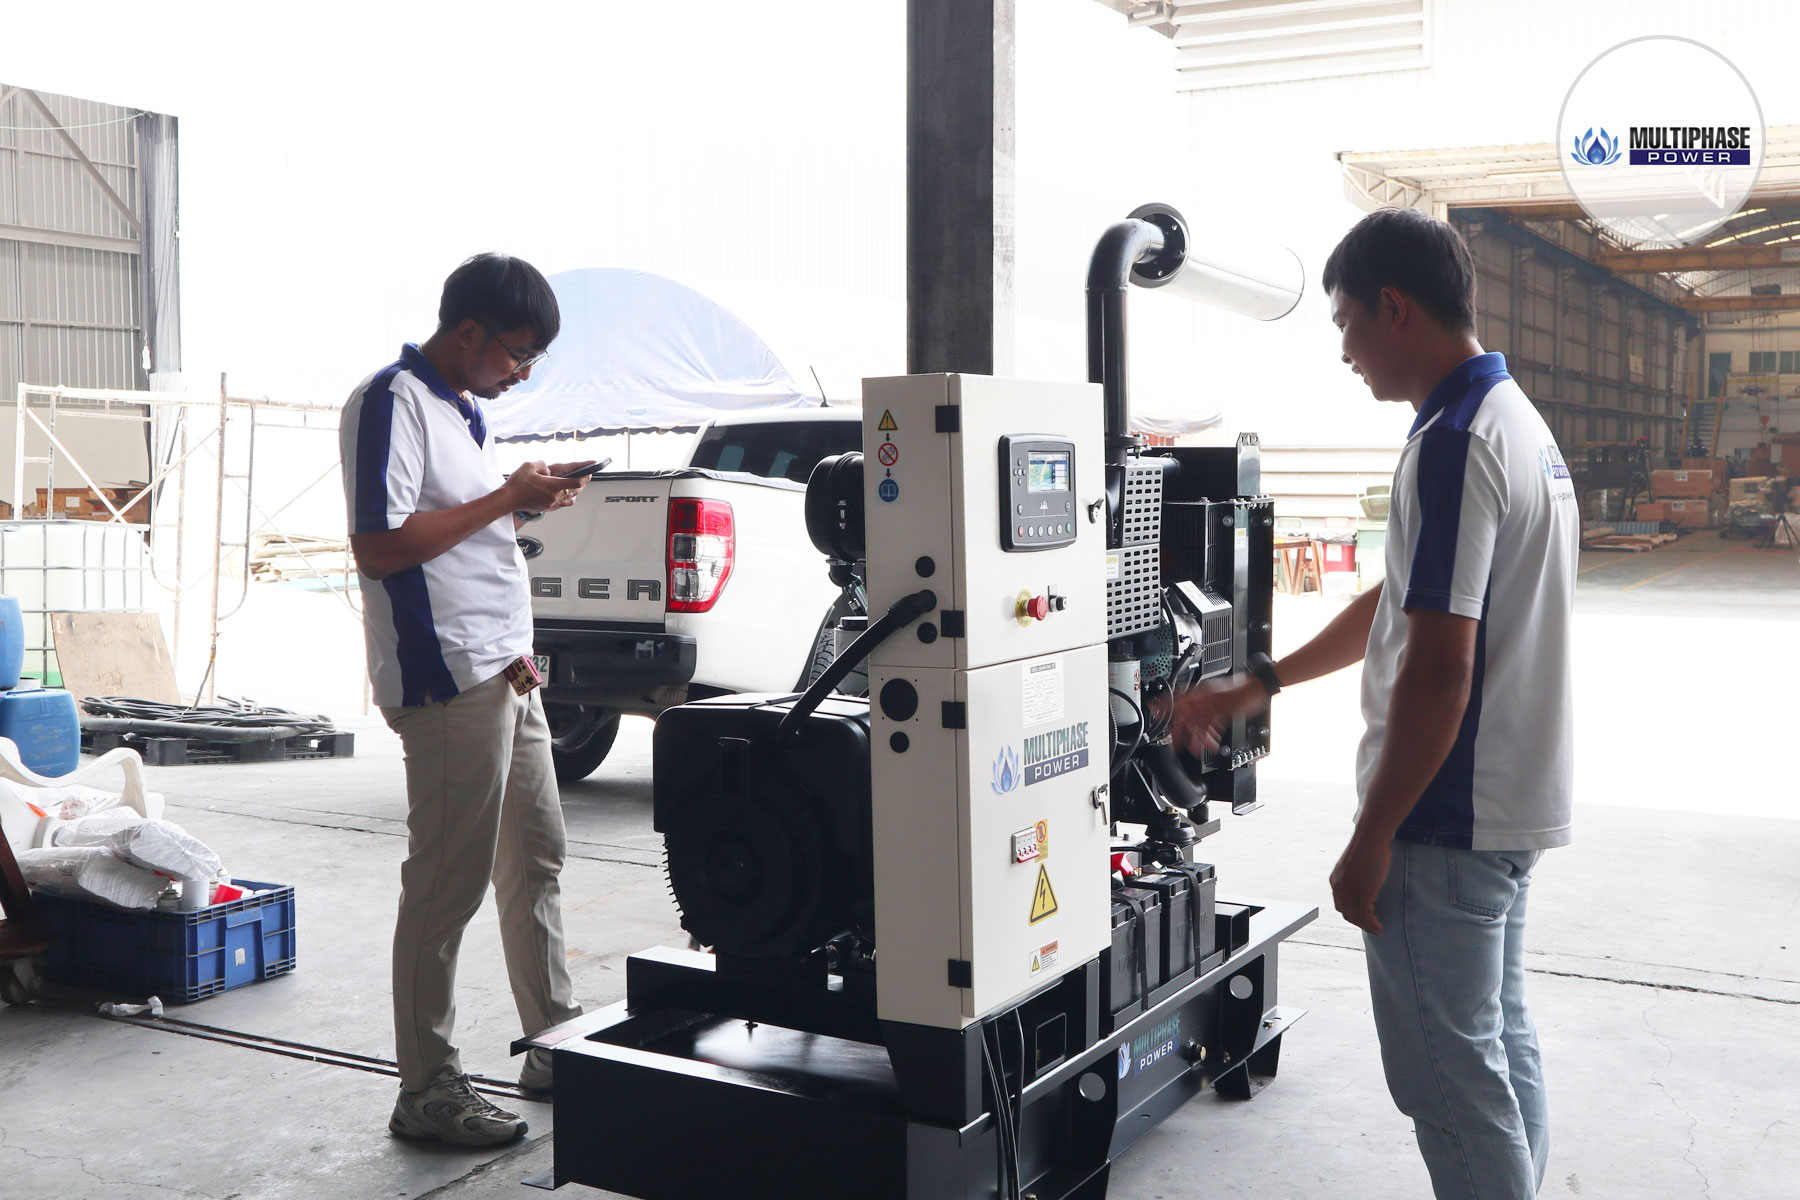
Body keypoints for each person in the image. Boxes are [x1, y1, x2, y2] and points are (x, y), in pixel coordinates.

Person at [1172, 208, 1578, 1199]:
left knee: (1448, 1080)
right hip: (1506, 807)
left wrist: (1372, 836)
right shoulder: (1511, 422)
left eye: (1347, 321)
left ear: (1394, 308)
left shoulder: (1453, 442)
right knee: (1495, 1042)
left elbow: (1440, 673)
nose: (1346, 349)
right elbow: (1403, 599)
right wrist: (1262, 680)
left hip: (1444, 819)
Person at [340, 253, 596, 1147]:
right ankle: (427, 1087)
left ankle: (555, 1044)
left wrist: (525, 502)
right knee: (446, 885)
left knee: (537, 860)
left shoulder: (462, 411)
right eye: (516, 354)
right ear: (469, 331)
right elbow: (380, 546)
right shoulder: (392, 399)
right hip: (448, 679)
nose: (520, 373)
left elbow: (458, 533)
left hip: (507, 669)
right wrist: (505, 496)